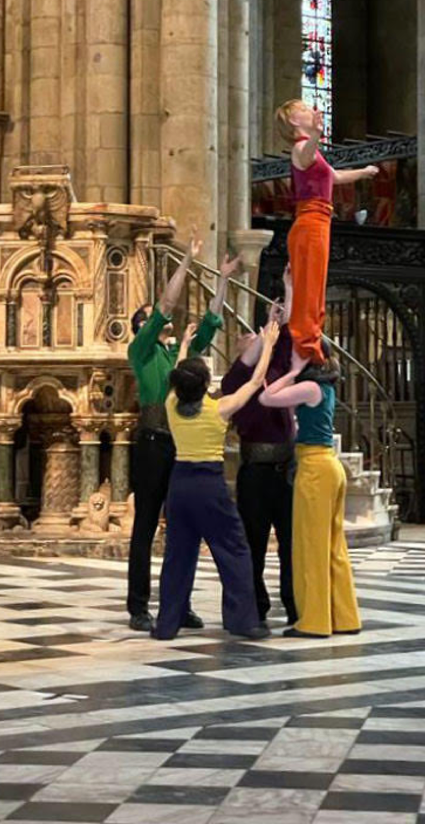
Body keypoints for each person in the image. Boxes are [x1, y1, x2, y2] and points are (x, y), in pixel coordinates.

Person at [126, 234, 241, 631]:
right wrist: (187, 263)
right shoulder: (141, 351)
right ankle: (139, 606)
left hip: (180, 446)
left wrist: (223, 279)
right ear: (142, 326)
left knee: (181, 532)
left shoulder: (184, 356)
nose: (169, 322)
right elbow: (166, 304)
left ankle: (178, 605)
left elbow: (212, 321)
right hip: (151, 445)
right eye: (155, 318)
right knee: (144, 525)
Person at [153, 319, 281, 641]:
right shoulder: (220, 409)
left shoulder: (171, 405)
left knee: (178, 555)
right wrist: (268, 344)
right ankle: (243, 621)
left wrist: (184, 343)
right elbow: (255, 381)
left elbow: (180, 371)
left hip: (179, 485)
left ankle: (168, 623)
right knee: (234, 550)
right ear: (206, 383)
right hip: (209, 485)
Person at [260, 352, 361, 639]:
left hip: (315, 468)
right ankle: (344, 616)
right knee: (333, 547)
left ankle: (315, 621)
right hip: (329, 465)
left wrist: (292, 371)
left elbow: (267, 398)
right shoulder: (326, 387)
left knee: (311, 547)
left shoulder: (310, 387)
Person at [275, 100, 377, 371]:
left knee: (316, 285)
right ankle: (305, 347)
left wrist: (364, 173)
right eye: (304, 109)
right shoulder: (301, 148)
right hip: (309, 221)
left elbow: (336, 177)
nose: (310, 110)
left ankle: (311, 342)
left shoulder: (313, 152)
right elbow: (306, 154)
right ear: (295, 121)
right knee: (309, 287)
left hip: (319, 220)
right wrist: (318, 136)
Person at [221, 266, 297, 626]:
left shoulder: (278, 367)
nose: (255, 337)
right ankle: (255, 607)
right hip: (254, 472)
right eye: (247, 338)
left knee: (290, 546)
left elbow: (289, 332)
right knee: (253, 545)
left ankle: (294, 603)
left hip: (284, 470)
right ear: (240, 351)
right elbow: (256, 355)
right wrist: (267, 332)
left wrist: (288, 288)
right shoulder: (235, 381)